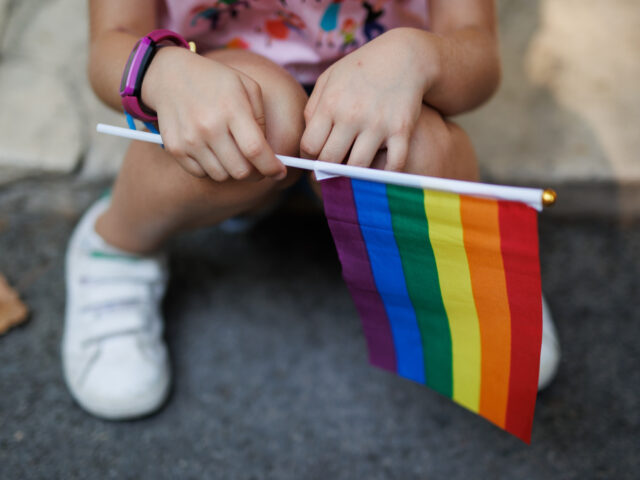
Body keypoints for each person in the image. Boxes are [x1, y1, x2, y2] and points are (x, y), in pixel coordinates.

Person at [63, 0, 559, 420]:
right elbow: (110, 42)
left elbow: (475, 49)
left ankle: (458, 260)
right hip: (225, 102)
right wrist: (161, 71)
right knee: (268, 116)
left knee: (412, 151)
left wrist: (420, 56)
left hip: (388, 103)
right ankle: (118, 245)